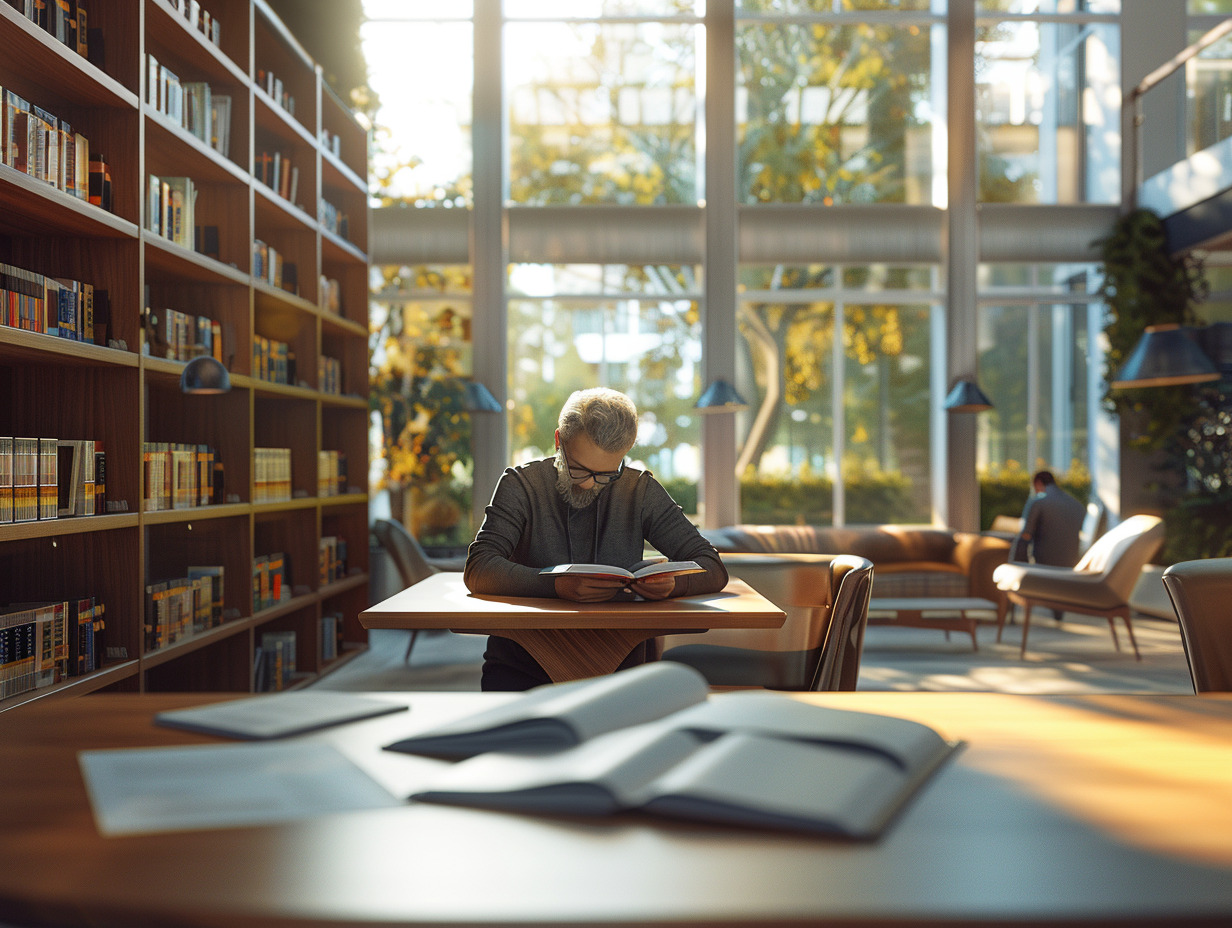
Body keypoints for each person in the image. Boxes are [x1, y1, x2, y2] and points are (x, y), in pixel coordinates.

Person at [464, 387, 729, 691]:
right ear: (558, 441)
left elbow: (713, 567)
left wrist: (674, 584)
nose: (591, 484)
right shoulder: (521, 485)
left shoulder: (638, 489)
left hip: (623, 673)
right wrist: (554, 585)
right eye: (578, 470)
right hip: (522, 667)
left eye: (606, 474)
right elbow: (479, 568)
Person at [1012, 470, 1086, 568]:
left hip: (1043, 566)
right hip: (1071, 565)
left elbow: (1026, 535)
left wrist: (1017, 565)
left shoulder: (1038, 502)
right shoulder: (1077, 505)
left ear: (1038, 483)